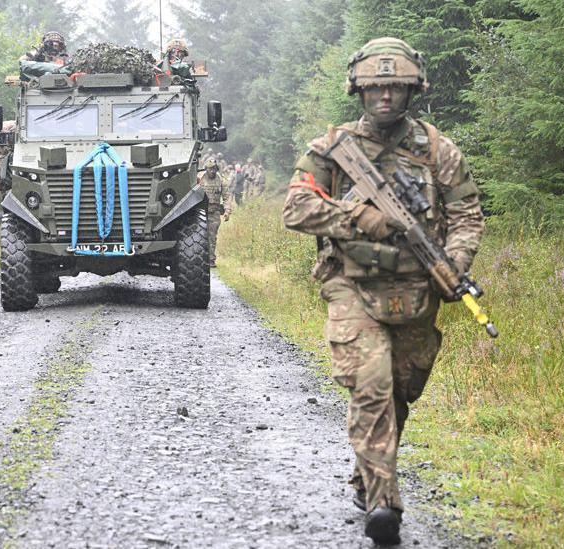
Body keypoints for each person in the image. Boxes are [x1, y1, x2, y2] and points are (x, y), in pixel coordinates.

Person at [281, 37, 484, 545]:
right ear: (359, 91)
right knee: (370, 384)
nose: (385, 97)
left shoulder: (439, 150)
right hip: (351, 284)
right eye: (375, 88)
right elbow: (296, 209)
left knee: (400, 391)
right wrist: (357, 216)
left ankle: (366, 474)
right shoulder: (333, 150)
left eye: (395, 88)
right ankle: (383, 502)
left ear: (412, 90)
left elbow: (466, 215)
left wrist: (454, 265)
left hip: (417, 287)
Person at [198, 157, 233, 268]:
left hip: (214, 212)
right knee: (198, 237)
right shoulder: (199, 178)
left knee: (212, 237)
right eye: (210, 169)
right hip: (199, 213)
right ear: (206, 169)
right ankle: (199, 259)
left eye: (214, 169)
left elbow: (227, 197)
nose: (212, 171)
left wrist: (227, 211)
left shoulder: (221, 181)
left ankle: (211, 259)